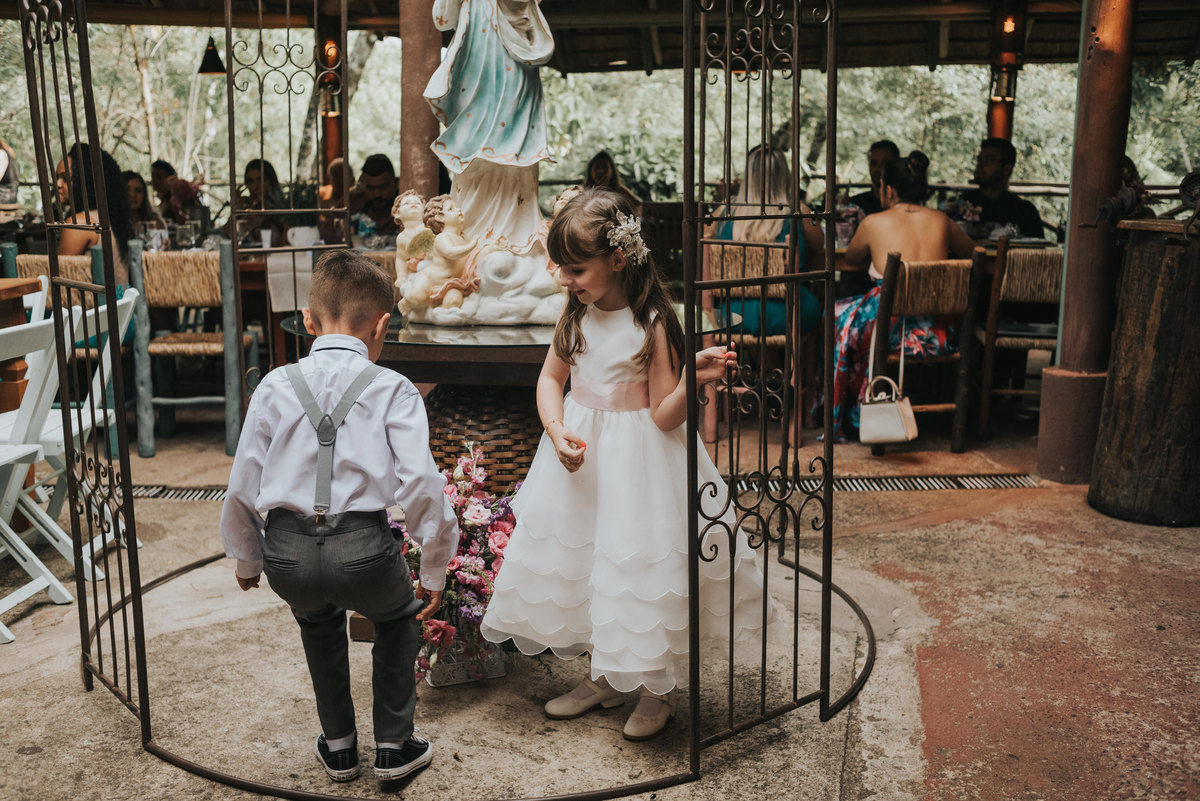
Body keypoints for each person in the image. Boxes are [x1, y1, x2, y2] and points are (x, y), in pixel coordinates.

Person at [480, 188, 770, 742]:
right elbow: (550, 380)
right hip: (582, 462)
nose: (565, 279)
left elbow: (664, 415)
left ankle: (655, 689)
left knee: (639, 567)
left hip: (640, 465)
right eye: (560, 268)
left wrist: (693, 380)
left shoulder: (652, 321)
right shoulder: (576, 313)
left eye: (576, 268)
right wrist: (555, 426)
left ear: (618, 259)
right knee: (588, 562)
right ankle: (602, 675)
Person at [220, 249, 459, 784]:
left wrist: (246, 555)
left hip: (286, 554)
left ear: (307, 321)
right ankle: (394, 748)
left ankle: (340, 746)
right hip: (364, 553)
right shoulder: (393, 388)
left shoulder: (275, 385)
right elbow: (422, 482)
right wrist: (434, 566)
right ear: (382, 325)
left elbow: (242, 482)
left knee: (316, 620)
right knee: (398, 621)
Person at [826, 151, 976, 441]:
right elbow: (975, 254)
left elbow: (854, 258)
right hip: (939, 332)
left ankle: (844, 412)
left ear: (889, 189)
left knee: (833, 314)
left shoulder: (873, 222)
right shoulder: (942, 221)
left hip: (890, 330)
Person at [709, 145, 825, 336]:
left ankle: (758, 363)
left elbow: (704, 246)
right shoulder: (798, 211)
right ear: (784, 175)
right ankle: (794, 365)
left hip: (732, 314)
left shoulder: (723, 212)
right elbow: (819, 244)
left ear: (748, 176)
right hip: (787, 312)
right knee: (817, 307)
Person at [55, 142, 133, 285]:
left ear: (87, 181)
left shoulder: (79, 224)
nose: (58, 184)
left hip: (97, 306)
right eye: (57, 177)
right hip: (123, 304)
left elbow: (58, 282)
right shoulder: (112, 218)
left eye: (66, 178)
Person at [962, 137, 1044, 238]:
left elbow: (1037, 249)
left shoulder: (1024, 211)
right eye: (980, 159)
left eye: (988, 160)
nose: (980, 165)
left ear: (1007, 169)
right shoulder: (962, 203)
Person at [231, 158, 288, 247]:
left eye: (260, 180)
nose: (255, 186)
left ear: (270, 181)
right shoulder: (244, 206)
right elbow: (226, 234)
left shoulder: (282, 206)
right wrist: (236, 208)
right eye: (250, 181)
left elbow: (287, 233)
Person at [347, 154, 400, 239]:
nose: (377, 194)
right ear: (362, 186)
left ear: (396, 183)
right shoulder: (354, 202)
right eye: (370, 188)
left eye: (383, 187)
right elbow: (327, 233)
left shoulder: (408, 204)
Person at [847, 139, 900, 216]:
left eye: (884, 163)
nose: (878, 168)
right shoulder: (855, 205)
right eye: (874, 163)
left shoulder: (908, 205)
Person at [318, 157, 354, 244]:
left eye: (343, 177)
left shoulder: (356, 198)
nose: (340, 181)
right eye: (336, 177)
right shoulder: (320, 196)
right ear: (328, 178)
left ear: (352, 181)